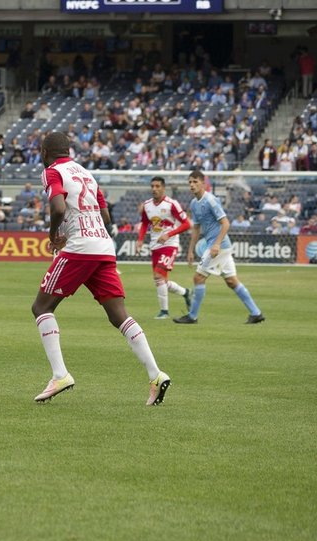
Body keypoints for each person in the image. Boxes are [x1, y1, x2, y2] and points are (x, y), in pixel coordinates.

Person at [31, 132, 171, 406]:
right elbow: (106, 216)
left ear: (45, 152)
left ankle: (60, 375)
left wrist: (53, 235)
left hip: (80, 246)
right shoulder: (87, 173)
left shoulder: (51, 172)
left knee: (41, 307)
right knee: (118, 315)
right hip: (103, 246)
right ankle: (155, 374)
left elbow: (58, 207)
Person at [174, 170, 265, 324]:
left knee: (198, 277)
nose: (192, 185)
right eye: (190, 182)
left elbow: (226, 223)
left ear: (203, 183)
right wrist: (190, 250)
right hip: (218, 246)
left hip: (218, 246)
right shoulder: (194, 203)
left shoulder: (210, 200)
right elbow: (196, 228)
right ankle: (256, 313)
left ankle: (192, 316)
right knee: (231, 281)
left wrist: (216, 244)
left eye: (195, 182)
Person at [138, 176, 192, 319]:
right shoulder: (147, 205)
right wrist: (140, 240)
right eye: (152, 186)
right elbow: (144, 223)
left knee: (158, 276)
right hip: (155, 245)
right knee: (162, 280)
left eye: (157, 186)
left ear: (163, 188)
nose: (154, 189)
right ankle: (186, 292)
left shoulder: (172, 204)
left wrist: (169, 234)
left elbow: (187, 224)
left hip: (169, 245)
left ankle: (164, 312)